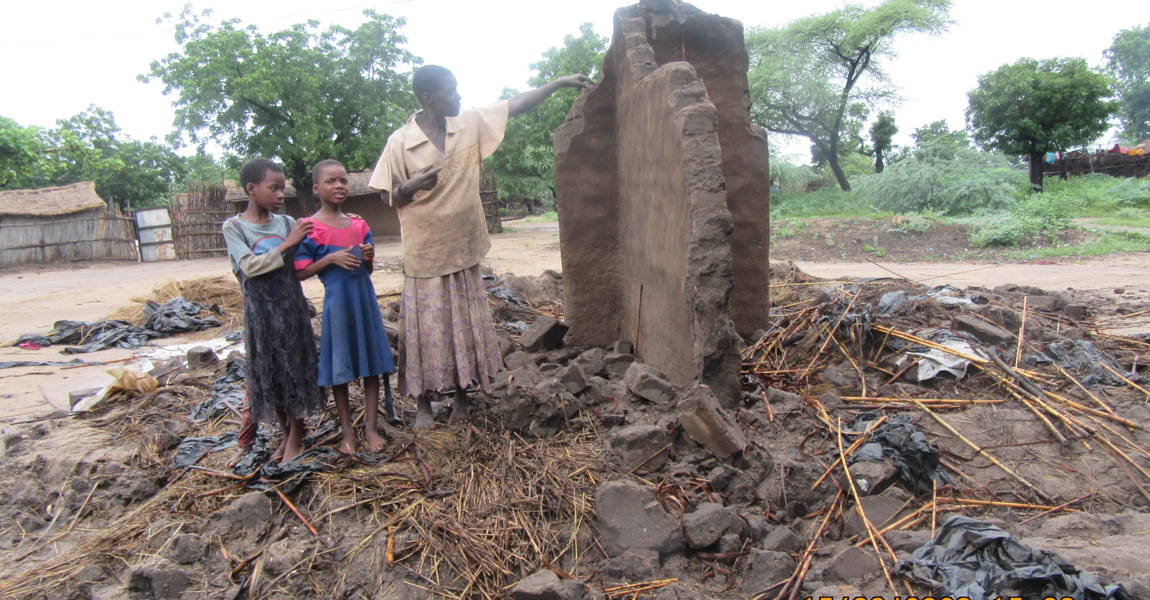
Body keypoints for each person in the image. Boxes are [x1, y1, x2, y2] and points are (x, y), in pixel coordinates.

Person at [369, 64, 592, 428]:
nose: (458, 95)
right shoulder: (401, 141)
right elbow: (385, 195)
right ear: (429, 99)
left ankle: (461, 395)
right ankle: (424, 403)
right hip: (425, 252)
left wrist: (558, 82)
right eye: (451, 90)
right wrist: (409, 188)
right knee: (426, 328)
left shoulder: (467, 123)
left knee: (463, 326)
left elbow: (514, 105)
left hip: (464, 248)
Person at [221, 158, 324, 462]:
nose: (281, 195)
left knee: (294, 371)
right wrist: (286, 245)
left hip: (291, 310)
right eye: (274, 188)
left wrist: (344, 219)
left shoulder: (288, 224)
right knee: (270, 374)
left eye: (283, 189)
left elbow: (318, 238)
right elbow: (250, 267)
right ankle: (286, 433)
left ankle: (295, 437)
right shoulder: (235, 227)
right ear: (251, 189)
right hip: (260, 315)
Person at [295, 159, 397, 454]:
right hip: (337, 304)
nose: (339, 186)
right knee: (340, 366)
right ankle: (348, 433)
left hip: (364, 300)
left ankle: (371, 428)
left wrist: (367, 256)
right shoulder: (309, 228)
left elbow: (368, 271)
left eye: (343, 180)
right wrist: (329, 259)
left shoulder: (358, 224)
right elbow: (300, 272)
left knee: (372, 366)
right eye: (331, 181)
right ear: (316, 188)